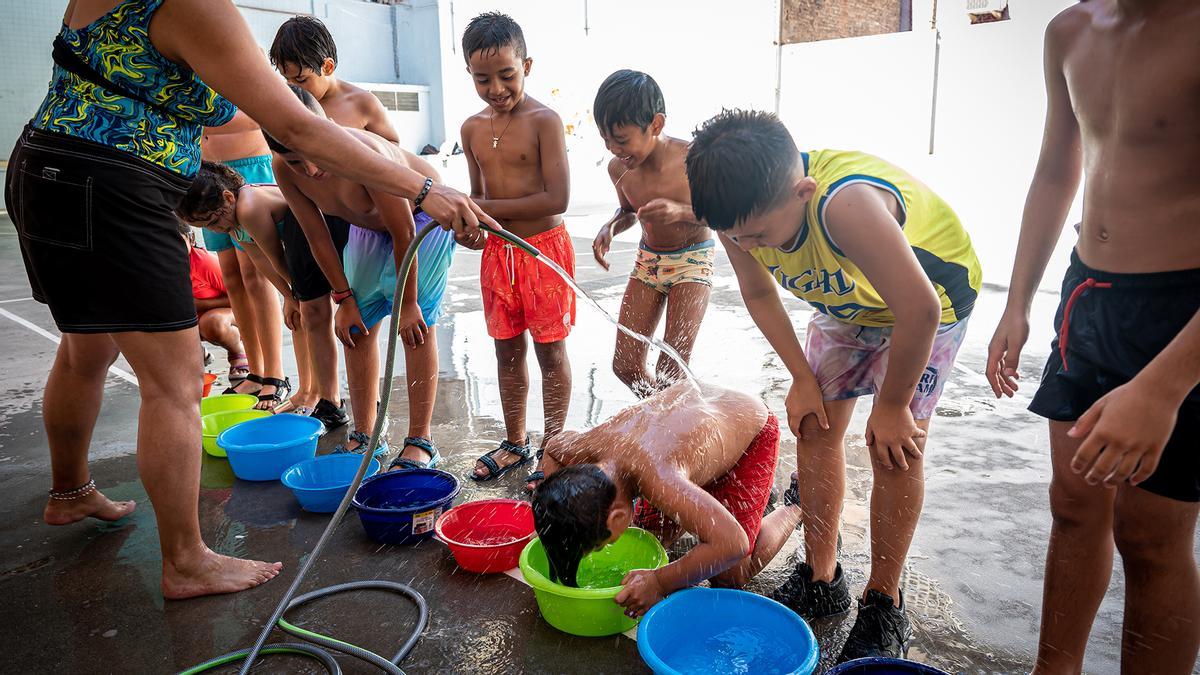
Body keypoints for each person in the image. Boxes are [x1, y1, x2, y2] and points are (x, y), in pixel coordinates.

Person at [4, 0, 492, 600]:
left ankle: (70, 491)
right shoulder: (190, 6)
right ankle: (185, 560)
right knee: (174, 383)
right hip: (114, 186)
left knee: (86, 351)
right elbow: (297, 128)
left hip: (46, 167)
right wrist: (425, 188)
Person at [685, 110, 981, 659]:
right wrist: (800, 377)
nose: (747, 245)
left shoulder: (844, 206)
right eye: (735, 236)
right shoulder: (737, 219)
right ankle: (823, 579)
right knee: (814, 427)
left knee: (893, 447)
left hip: (929, 303)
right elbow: (758, 293)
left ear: (803, 191)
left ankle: (884, 602)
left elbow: (917, 308)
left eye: (759, 235)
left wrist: (892, 405)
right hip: (847, 304)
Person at [986, 2, 1200, 671]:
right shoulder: (1070, 31)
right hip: (1090, 294)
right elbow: (1057, 168)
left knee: (1152, 535)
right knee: (1074, 503)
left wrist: (1166, 386)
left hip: (1183, 313)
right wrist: (1017, 301)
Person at [268, 85, 480, 469]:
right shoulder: (284, 168)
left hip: (421, 223)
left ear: (326, 127)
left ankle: (420, 440)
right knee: (354, 329)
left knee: (414, 328)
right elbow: (316, 235)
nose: (311, 170)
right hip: (366, 228)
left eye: (313, 156)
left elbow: (404, 233)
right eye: (298, 163)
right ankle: (366, 435)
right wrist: (344, 300)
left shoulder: (362, 152)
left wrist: (409, 303)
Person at [533, 382, 795, 616]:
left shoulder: (658, 480)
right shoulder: (589, 447)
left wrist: (659, 582)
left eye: (600, 546)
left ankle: (797, 503)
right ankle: (720, 501)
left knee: (729, 576)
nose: (604, 548)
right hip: (692, 442)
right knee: (653, 540)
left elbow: (733, 543)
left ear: (618, 515)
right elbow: (554, 447)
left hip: (750, 434)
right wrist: (558, 515)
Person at [460, 13, 574, 491]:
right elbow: (475, 202)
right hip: (499, 257)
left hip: (543, 252)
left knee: (551, 353)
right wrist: (472, 229)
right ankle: (515, 441)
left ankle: (554, 447)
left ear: (526, 65)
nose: (496, 88)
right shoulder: (470, 129)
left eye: (507, 74)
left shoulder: (544, 121)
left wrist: (480, 209)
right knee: (506, 350)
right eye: (483, 79)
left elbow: (557, 199)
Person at [269, 16, 401, 427]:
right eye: (286, 79)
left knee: (359, 317)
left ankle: (367, 402)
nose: (295, 88)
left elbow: (393, 155)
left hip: (356, 222)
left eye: (303, 79)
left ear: (327, 67)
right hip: (307, 214)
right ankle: (328, 397)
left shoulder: (360, 104)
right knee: (313, 310)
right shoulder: (285, 111)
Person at [175, 161, 345, 423]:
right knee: (299, 319)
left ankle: (320, 395)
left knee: (311, 317)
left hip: (318, 231)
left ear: (228, 197)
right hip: (296, 247)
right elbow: (260, 261)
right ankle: (304, 392)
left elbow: (275, 257)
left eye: (213, 220)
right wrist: (289, 297)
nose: (215, 229)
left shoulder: (249, 208)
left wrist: (295, 296)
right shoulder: (232, 220)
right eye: (206, 226)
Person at [591, 70, 713, 397]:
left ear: (656, 125)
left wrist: (680, 211)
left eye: (621, 139)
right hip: (649, 263)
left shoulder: (693, 160)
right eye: (605, 139)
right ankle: (660, 412)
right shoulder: (619, 168)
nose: (614, 149)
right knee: (625, 364)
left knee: (671, 369)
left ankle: (673, 424)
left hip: (692, 261)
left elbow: (724, 214)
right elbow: (629, 211)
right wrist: (610, 227)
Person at [201, 111, 289, 409]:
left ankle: (275, 374)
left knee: (255, 276)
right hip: (205, 174)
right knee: (233, 278)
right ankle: (256, 369)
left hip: (247, 167)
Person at [180, 225, 245, 371]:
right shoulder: (161, 268)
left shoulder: (203, 262)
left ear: (191, 239)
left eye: (179, 242)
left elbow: (243, 297)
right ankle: (197, 351)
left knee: (212, 322)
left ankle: (238, 352)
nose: (173, 249)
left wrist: (200, 304)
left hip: (229, 315)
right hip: (191, 323)